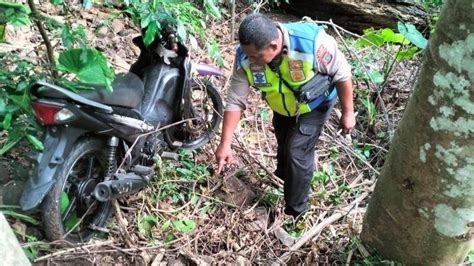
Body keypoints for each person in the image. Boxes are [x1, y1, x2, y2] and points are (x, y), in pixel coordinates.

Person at [215, 13, 355, 218]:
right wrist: (225, 143)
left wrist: (348, 113)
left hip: (315, 105)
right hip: (282, 107)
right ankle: (284, 177)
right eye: (248, 54)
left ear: (273, 46)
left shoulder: (313, 44)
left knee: (296, 151)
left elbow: (342, 74)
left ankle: (296, 212)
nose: (250, 59)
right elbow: (236, 100)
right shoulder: (245, 56)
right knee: (284, 141)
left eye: (255, 56)